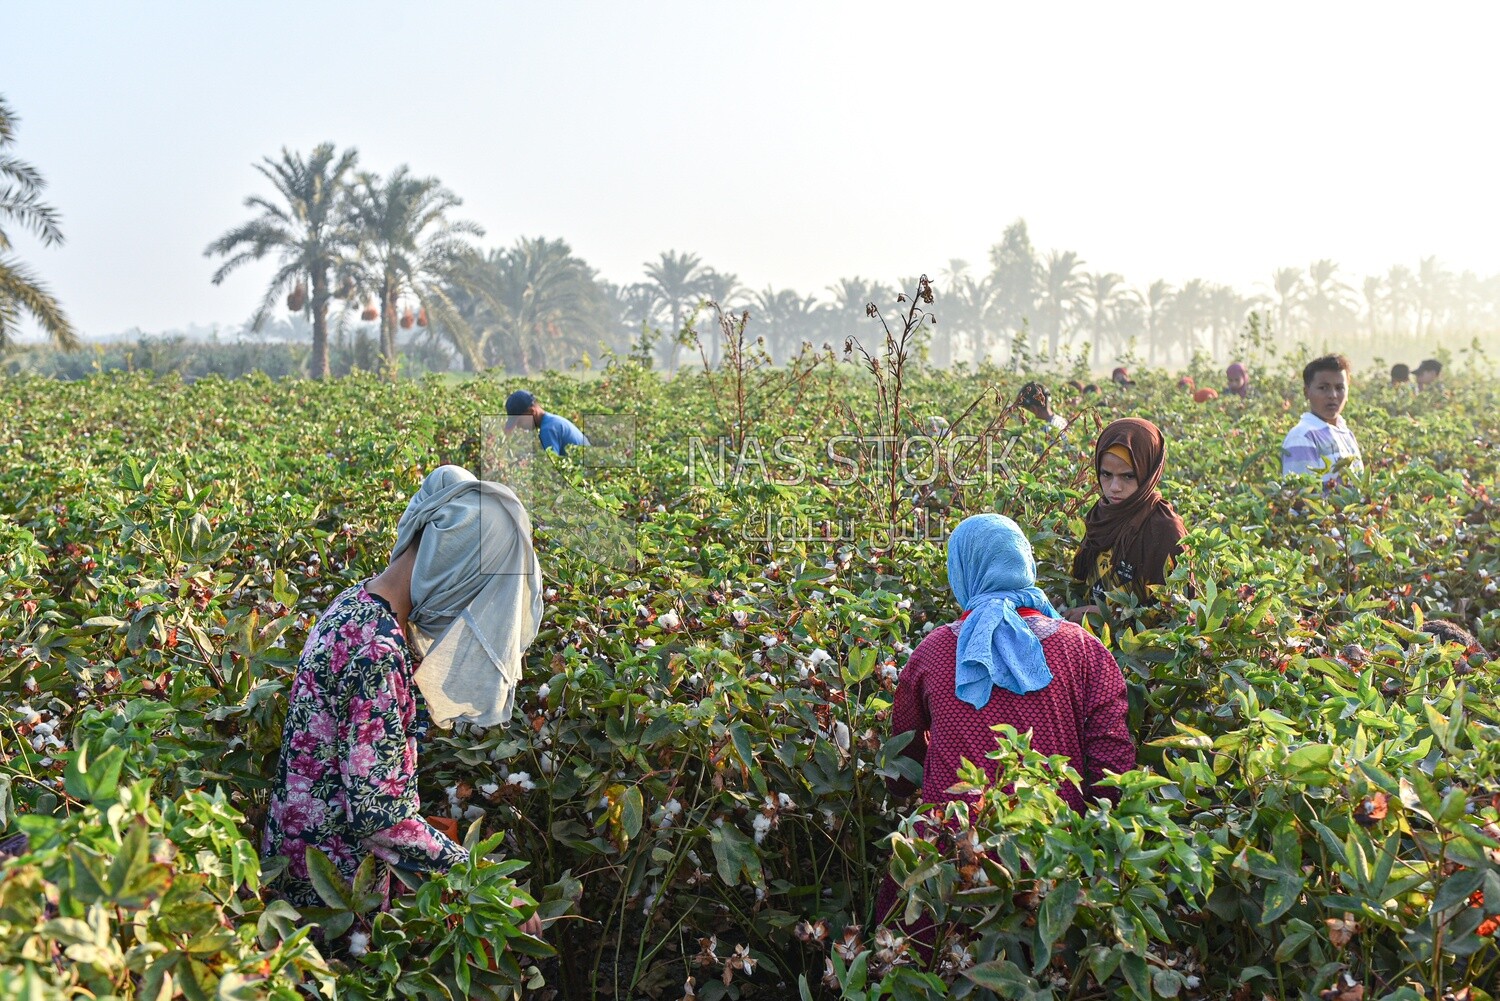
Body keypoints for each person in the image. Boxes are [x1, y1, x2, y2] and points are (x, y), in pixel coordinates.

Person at [262, 465, 544, 939]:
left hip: (298, 862)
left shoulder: (354, 604)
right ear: (455, 566)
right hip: (337, 892)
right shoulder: (378, 649)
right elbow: (380, 816)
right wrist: (488, 887)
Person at [879, 514, 1134, 917]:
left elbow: (903, 758)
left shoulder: (934, 652)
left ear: (964, 570)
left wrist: (902, 794)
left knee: (923, 954)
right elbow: (1112, 763)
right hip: (1053, 852)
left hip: (954, 856)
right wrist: (1099, 846)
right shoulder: (1083, 649)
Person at [1069, 418, 1187, 620]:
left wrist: (1110, 616)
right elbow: (1081, 582)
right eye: (1106, 474)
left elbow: (1179, 612)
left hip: (1135, 649)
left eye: (1128, 476)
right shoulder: (1101, 514)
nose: (1114, 487)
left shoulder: (1165, 529)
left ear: (1148, 473)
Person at [1280, 354, 1363, 485]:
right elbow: (1301, 496)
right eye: (1323, 388)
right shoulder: (1302, 437)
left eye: (1339, 388)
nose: (1333, 395)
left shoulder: (1346, 433)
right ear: (1306, 392)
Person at [505, 389, 588, 456]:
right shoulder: (552, 421)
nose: (518, 426)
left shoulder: (548, 429)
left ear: (531, 412)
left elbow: (552, 468)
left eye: (519, 422)